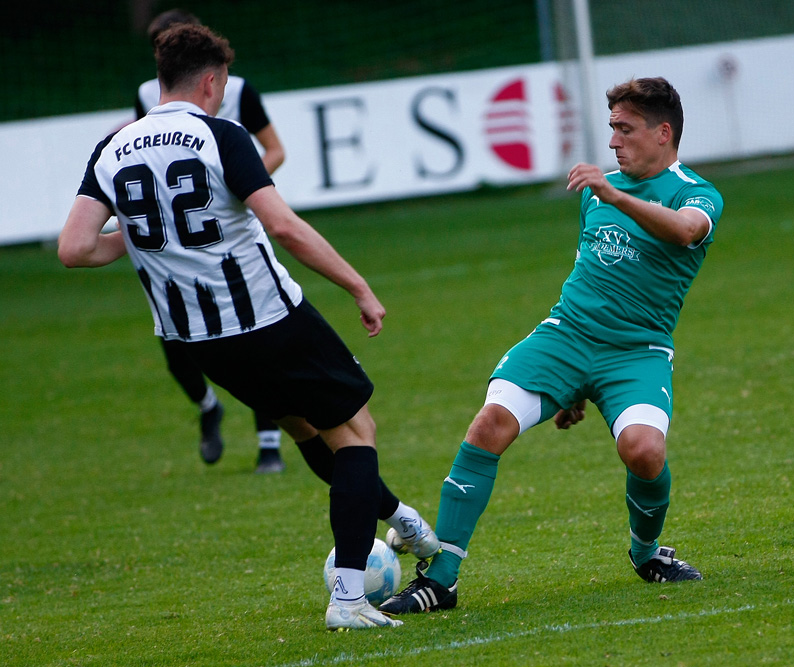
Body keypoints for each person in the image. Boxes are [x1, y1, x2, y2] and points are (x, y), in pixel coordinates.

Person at [58, 23, 436, 630]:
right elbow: (283, 227)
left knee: (306, 426)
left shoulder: (112, 145)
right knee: (357, 431)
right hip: (266, 317)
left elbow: (75, 248)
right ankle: (348, 596)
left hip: (196, 340)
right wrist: (357, 286)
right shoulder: (220, 135)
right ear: (212, 81)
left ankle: (400, 517)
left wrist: (149, 237)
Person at [378, 76, 724, 615]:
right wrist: (571, 387)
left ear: (663, 133)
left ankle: (647, 552)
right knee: (489, 424)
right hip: (566, 337)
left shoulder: (695, 193)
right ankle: (441, 579)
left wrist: (614, 193)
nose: (612, 142)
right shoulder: (597, 197)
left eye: (625, 129)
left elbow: (684, 231)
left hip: (637, 353)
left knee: (645, 451)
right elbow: (595, 278)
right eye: (611, 129)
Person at [137, 9, 288, 473]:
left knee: (261, 327)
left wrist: (241, 190)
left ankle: (269, 443)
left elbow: (275, 149)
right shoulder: (148, 94)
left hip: (235, 233)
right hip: (174, 246)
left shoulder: (237, 88)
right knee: (176, 343)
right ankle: (208, 407)